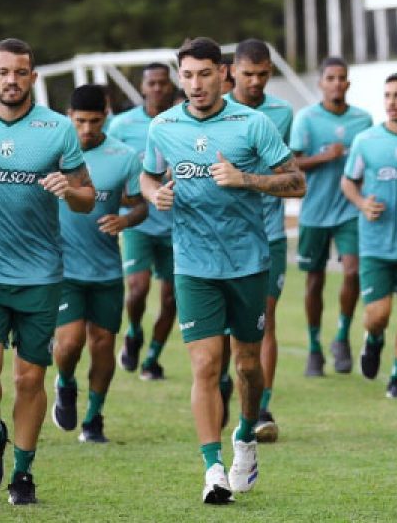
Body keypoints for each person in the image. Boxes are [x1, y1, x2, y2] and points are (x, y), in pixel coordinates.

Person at [140, 37, 305, 504]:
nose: (196, 84)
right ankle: (213, 468)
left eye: (205, 74)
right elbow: (147, 175)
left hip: (248, 262)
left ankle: (246, 435)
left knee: (248, 367)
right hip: (193, 263)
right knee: (205, 365)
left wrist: (246, 179)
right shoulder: (163, 127)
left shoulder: (254, 125)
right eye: (187, 76)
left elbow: (297, 181)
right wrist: (155, 194)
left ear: (223, 74)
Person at [0, 38, 95, 505]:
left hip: (40, 274)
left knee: (30, 379)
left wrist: (68, 192)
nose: (13, 80)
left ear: (33, 77)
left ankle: (23, 473)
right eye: (4, 72)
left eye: (22, 72)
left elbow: (87, 194)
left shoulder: (57, 130)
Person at [52, 85, 147, 444]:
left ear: (105, 116)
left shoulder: (123, 156)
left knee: (104, 343)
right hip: (64, 269)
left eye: (94, 121)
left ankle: (93, 418)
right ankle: (65, 382)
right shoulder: (54, 154)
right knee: (71, 342)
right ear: (68, 117)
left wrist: (126, 220)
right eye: (80, 121)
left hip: (107, 268)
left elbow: (140, 204)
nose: (87, 129)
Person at [223, 38, 295, 440]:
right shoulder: (214, 113)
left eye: (263, 74)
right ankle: (220, 383)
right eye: (248, 73)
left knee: (264, 322)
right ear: (231, 70)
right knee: (220, 329)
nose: (255, 82)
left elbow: (289, 174)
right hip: (220, 237)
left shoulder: (282, 113)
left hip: (268, 235)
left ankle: (262, 407)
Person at [341, 73, 397, 398]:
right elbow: (348, 181)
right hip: (375, 243)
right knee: (378, 315)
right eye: (387, 95)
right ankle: (373, 339)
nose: (392, 102)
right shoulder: (367, 141)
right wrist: (363, 203)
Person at [290, 56, 373, 376]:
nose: (337, 83)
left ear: (348, 83)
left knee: (352, 272)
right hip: (314, 211)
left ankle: (341, 337)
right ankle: (314, 347)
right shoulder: (306, 119)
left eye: (342, 78)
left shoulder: (363, 121)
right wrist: (326, 156)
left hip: (350, 209)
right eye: (331, 78)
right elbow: (292, 164)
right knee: (314, 282)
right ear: (320, 83)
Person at [108, 63, 177, 381]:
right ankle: (134, 332)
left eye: (164, 82)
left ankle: (152, 359)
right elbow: (106, 167)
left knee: (171, 297)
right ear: (143, 86)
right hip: (137, 221)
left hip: (176, 224)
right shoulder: (122, 125)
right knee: (137, 290)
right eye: (153, 83)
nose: (159, 88)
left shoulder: (182, 123)